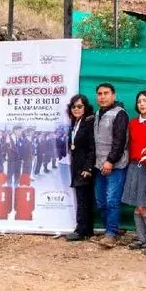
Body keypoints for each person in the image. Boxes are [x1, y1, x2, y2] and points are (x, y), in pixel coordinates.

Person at [93, 83, 129, 248]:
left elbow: (119, 141)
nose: (102, 96)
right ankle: (112, 227)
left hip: (114, 165)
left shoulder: (120, 114)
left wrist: (110, 161)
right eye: (99, 94)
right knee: (101, 201)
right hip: (99, 165)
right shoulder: (98, 113)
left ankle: (111, 234)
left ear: (113, 95)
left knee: (111, 200)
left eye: (106, 93)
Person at [120, 91, 146, 251]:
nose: (142, 104)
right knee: (136, 205)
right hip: (134, 165)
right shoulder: (133, 123)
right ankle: (141, 239)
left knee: (142, 205)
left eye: (145, 100)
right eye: (139, 101)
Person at [65, 94, 96, 242]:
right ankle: (87, 229)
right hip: (76, 166)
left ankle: (80, 230)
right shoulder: (75, 123)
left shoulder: (89, 122)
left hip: (84, 167)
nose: (76, 109)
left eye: (79, 106)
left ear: (85, 107)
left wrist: (88, 167)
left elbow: (92, 147)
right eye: (73, 106)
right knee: (83, 198)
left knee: (84, 199)